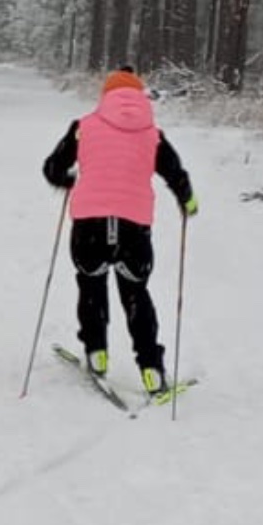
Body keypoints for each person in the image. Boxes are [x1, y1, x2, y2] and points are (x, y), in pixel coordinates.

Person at [41, 68, 198, 397]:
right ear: (141, 97)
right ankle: (152, 371)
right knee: (136, 294)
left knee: (91, 286)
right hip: (133, 228)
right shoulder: (153, 134)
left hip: (89, 226)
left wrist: (69, 181)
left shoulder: (83, 127)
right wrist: (188, 202)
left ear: (106, 95)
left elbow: (53, 168)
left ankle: (96, 354)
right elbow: (175, 173)